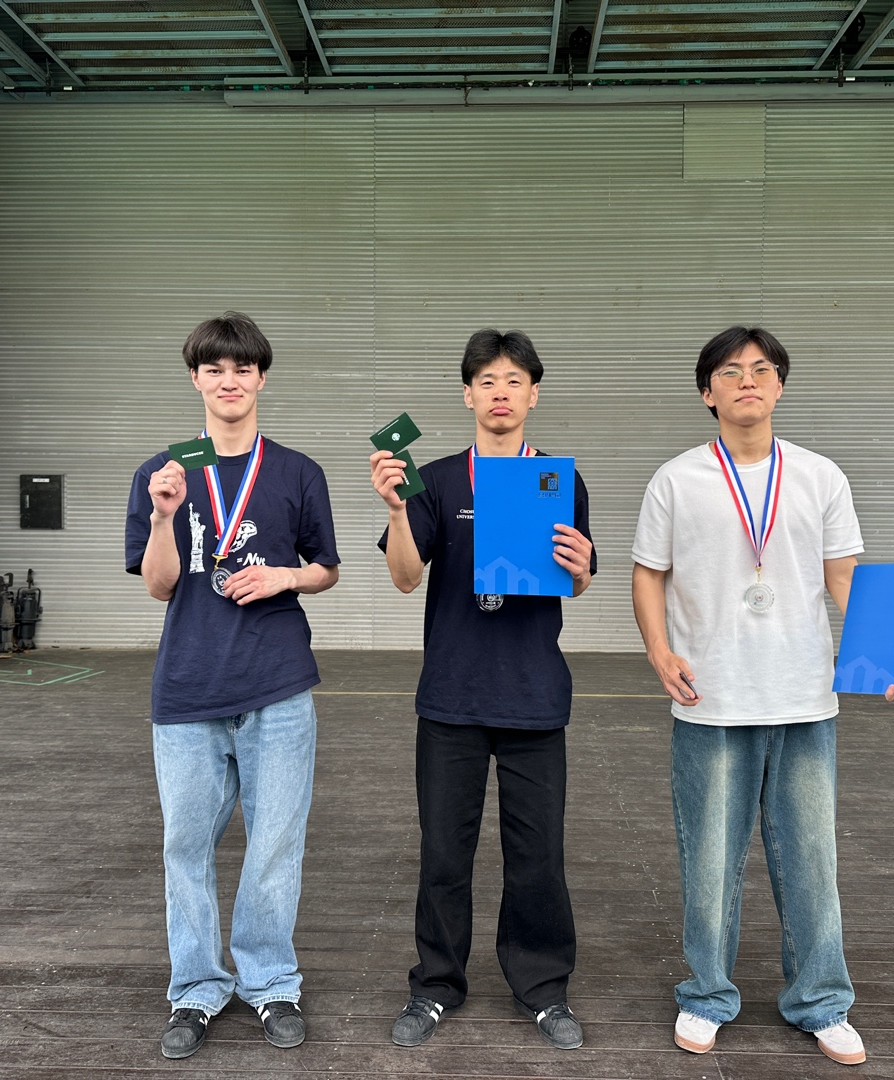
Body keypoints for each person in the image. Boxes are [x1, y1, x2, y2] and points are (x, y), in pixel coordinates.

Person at [630, 326, 894, 1067]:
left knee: (810, 858)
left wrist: (891, 655)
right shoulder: (676, 480)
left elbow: (844, 576)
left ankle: (821, 1002)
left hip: (803, 697)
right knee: (709, 860)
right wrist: (659, 651)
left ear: (779, 387)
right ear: (706, 392)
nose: (747, 380)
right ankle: (707, 995)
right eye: (730, 371)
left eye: (762, 369)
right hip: (711, 698)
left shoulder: (819, 476)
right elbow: (648, 573)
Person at [369, 329, 596, 1051]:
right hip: (452, 697)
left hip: (534, 698)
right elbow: (405, 578)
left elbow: (577, 581)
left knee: (539, 858)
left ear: (534, 394)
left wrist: (582, 568)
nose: (501, 393)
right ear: (467, 395)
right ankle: (436, 985)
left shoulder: (558, 479)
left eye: (514, 380)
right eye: (487, 381)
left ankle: (543, 988)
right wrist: (396, 509)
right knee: (444, 854)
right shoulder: (436, 480)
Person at [125, 311, 340, 1060]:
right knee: (186, 845)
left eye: (242, 369)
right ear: (195, 379)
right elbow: (158, 586)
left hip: (278, 685)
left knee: (275, 843)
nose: (229, 381)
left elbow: (327, 568)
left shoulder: (297, 472)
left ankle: (271, 981)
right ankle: (195, 987)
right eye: (213, 369)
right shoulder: (163, 473)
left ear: (261, 378)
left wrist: (285, 576)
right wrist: (163, 518)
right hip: (188, 689)